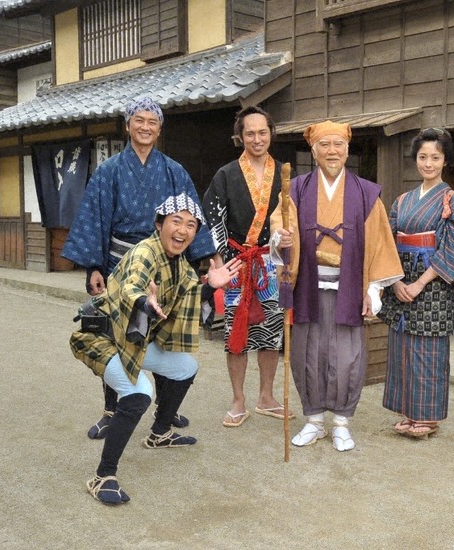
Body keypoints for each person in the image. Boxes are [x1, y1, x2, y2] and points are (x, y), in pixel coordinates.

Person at [70, 193, 242, 505]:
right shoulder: (144, 252)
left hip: (133, 342)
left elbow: (190, 296)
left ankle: (160, 432)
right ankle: (102, 476)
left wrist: (211, 286)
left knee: (186, 367)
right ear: (159, 224)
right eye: (176, 221)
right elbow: (133, 283)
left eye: (191, 225)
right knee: (139, 393)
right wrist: (142, 300)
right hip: (103, 338)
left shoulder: (182, 267)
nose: (183, 230)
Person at [62, 96, 216, 439]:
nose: (145, 127)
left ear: (159, 129)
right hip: (121, 262)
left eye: (152, 122)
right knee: (115, 336)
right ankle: (111, 409)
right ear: (128, 125)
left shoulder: (174, 171)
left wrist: (200, 261)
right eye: (139, 120)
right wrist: (94, 267)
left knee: (163, 336)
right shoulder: (109, 171)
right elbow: (94, 218)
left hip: (165, 265)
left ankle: (165, 408)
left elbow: (190, 222)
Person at [270, 121, 403, 451]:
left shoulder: (365, 193)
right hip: (308, 285)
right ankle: (314, 420)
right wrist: (281, 238)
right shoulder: (297, 190)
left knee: (347, 357)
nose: (332, 151)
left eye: (338, 145)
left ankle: (342, 421)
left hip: (349, 287)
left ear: (347, 148)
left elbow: (379, 243)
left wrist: (373, 290)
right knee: (307, 354)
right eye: (324, 145)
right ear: (313, 151)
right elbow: (279, 226)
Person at [202, 106, 294, 428]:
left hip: (272, 263)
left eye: (263, 132)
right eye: (250, 133)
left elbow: (292, 215)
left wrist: (287, 240)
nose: (257, 138)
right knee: (236, 334)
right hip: (237, 262)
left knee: (270, 333)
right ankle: (238, 399)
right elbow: (211, 220)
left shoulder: (283, 173)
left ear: (271, 134)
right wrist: (218, 265)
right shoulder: (226, 175)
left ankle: (266, 397)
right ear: (240, 136)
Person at [377, 128, 454, 439]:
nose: (428, 163)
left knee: (428, 351)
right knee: (403, 347)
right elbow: (386, 242)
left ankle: (427, 417)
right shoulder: (402, 200)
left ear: (445, 162)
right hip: (401, 277)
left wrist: (420, 282)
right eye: (422, 157)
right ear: (415, 160)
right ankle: (408, 412)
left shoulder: (451, 200)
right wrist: (396, 280)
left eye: (435, 157)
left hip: (432, 284)